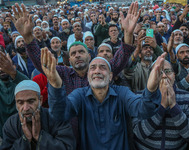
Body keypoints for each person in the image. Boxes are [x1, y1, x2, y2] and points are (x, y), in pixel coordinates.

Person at [10, 2, 141, 149]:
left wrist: (128, 34)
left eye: (81, 52)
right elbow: (43, 65)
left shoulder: (101, 73)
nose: (77, 55)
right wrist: (28, 38)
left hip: (100, 136)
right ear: (69, 59)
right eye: (73, 53)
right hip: (71, 136)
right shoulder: (63, 73)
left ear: (89, 55)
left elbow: (120, 58)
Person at [42, 45, 167, 149]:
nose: (97, 71)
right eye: (93, 68)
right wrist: (55, 84)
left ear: (111, 76)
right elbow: (60, 114)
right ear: (88, 76)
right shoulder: (79, 95)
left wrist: (151, 88)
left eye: (103, 68)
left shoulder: (122, 93)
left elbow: (143, 110)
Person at [132, 60, 189, 149]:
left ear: (174, 75)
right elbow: (139, 133)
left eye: (168, 71)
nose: (164, 76)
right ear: (151, 77)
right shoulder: (139, 97)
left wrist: (174, 106)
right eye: (158, 72)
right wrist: (162, 106)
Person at [0, 80, 76, 150]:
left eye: (31, 101)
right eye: (20, 102)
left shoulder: (56, 118)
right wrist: (25, 139)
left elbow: (68, 147)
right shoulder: (11, 124)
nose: (26, 108)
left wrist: (39, 136)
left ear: (40, 100)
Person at [0, 46, 29, 144]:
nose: (1, 69)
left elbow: (30, 87)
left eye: (3, 64)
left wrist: (12, 72)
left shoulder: (19, 81)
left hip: (23, 136)